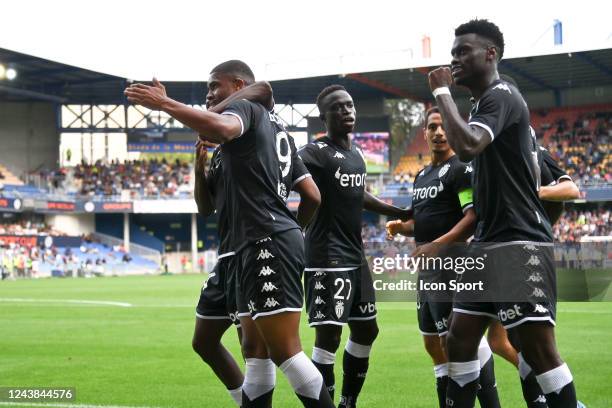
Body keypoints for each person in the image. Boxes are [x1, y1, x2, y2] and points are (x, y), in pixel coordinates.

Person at [125, 60, 333, 407]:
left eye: (213, 87)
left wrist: (165, 104)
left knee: (286, 354)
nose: (208, 95)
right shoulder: (274, 131)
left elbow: (225, 126)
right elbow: (310, 195)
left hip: (265, 241)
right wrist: (294, 231)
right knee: (256, 353)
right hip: (253, 244)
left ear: (238, 85)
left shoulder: (245, 108)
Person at [428, 19, 578, 407]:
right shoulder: (487, 104)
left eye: (464, 51)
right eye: (453, 52)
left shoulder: (501, 94)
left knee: (538, 351)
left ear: (490, 54)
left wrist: (442, 90)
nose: (455, 58)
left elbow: (467, 146)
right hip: (488, 246)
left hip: (515, 243)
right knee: (457, 340)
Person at [298, 85, 411, 408]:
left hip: (355, 258)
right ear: (324, 116)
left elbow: (359, 194)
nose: (346, 111)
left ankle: (348, 402)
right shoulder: (314, 153)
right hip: (326, 257)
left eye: (349, 106)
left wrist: (398, 212)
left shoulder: (357, 155)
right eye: (338, 107)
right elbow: (288, 170)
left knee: (366, 331)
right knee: (329, 338)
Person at [386, 106, 500, 408]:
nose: (438, 132)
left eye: (444, 127)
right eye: (432, 127)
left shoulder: (461, 167)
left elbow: (472, 217)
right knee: (433, 345)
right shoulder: (421, 176)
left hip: (453, 268)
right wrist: (401, 227)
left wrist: (436, 245)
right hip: (428, 271)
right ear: (424, 133)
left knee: (461, 343)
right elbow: (421, 222)